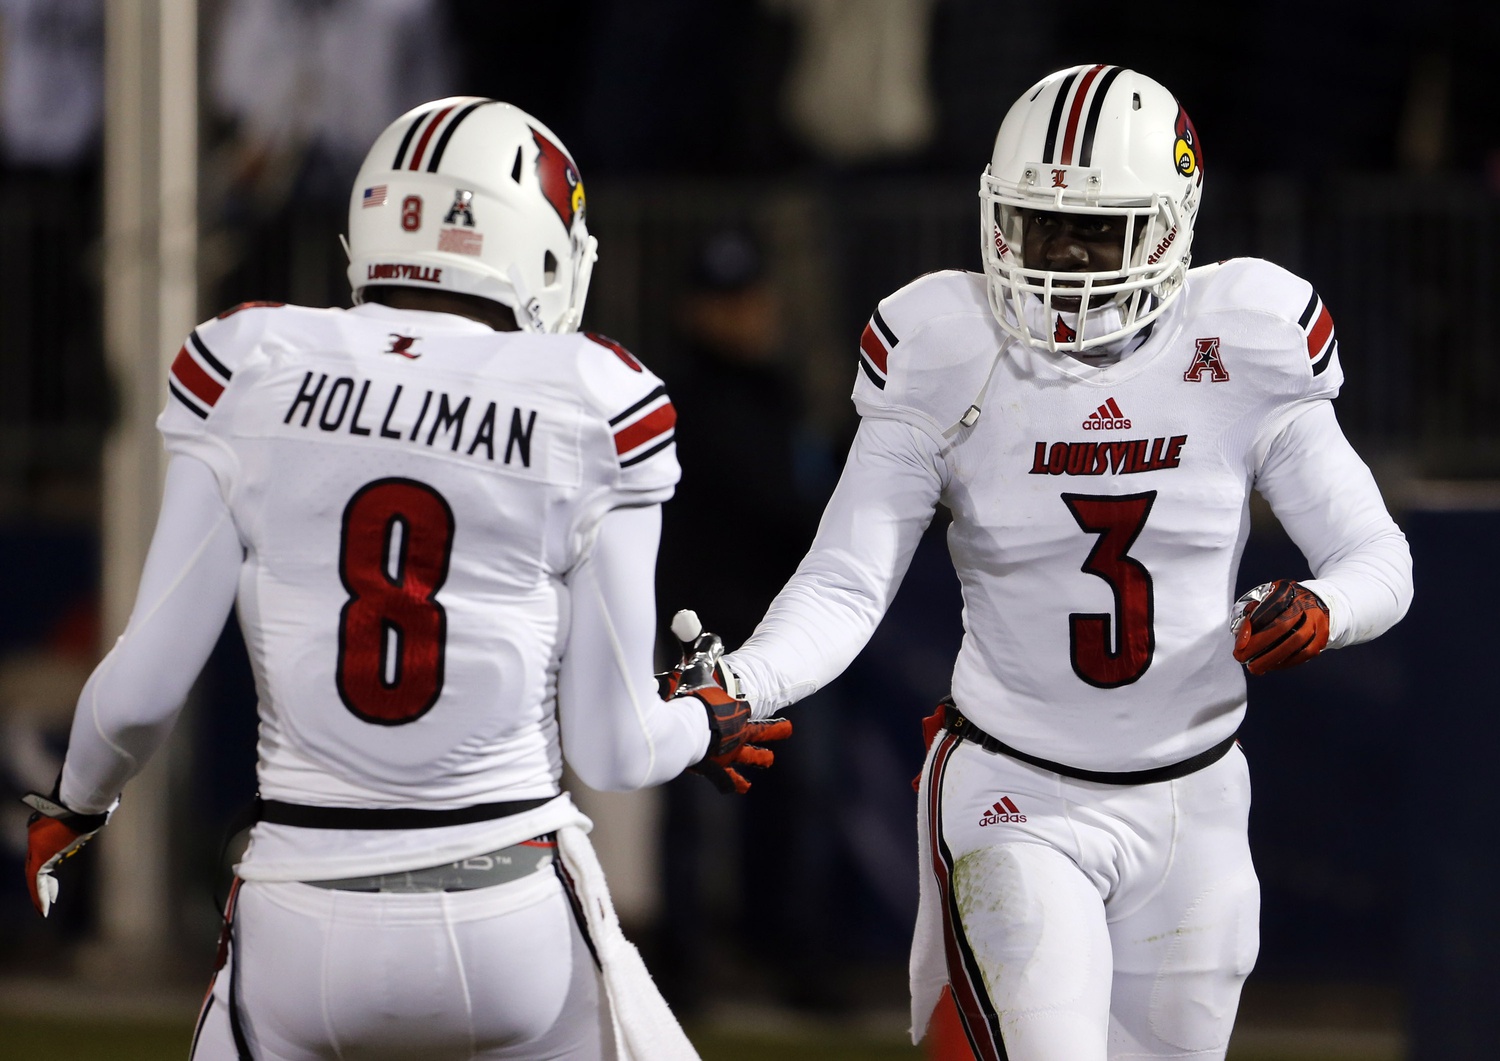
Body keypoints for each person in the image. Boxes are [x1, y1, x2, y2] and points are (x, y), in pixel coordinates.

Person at [21, 97, 788, 1061]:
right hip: (505, 912)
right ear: (537, 248)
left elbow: (139, 692)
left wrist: (77, 803)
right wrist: (707, 719)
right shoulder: (595, 397)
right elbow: (620, 747)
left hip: (297, 917)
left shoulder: (253, 361)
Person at [712, 65, 1414, 1060]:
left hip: (1196, 798)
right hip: (1016, 791)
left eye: (1102, 229)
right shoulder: (945, 346)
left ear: (1173, 225)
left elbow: (1375, 552)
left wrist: (1324, 605)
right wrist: (740, 679)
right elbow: (845, 580)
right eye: (1045, 226)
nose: (1069, 259)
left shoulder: (1245, 339)